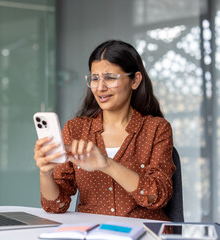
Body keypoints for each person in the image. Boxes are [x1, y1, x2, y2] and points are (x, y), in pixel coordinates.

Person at [34, 40, 176, 221]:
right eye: (94, 78)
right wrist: (45, 172)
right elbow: (56, 206)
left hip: (142, 233)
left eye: (110, 77)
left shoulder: (156, 128)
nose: (100, 87)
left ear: (135, 80)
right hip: (92, 232)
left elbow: (157, 196)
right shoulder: (76, 129)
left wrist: (106, 165)